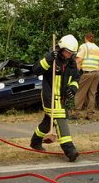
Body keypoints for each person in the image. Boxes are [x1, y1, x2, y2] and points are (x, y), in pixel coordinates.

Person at [30, 34, 80, 162]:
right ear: (61, 48)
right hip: (50, 97)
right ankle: (70, 150)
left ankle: (35, 142)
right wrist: (48, 59)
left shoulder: (71, 63)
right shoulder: (52, 59)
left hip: (61, 98)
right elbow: (36, 70)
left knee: (48, 122)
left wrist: (73, 88)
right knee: (60, 118)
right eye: (68, 52)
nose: (69, 55)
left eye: (72, 53)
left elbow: (75, 78)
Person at [74, 32, 99, 118]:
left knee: (80, 92)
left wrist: (76, 72)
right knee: (92, 93)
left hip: (87, 73)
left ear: (85, 38)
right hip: (96, 73)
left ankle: (76, 112)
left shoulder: (84, 46)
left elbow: (79, 60)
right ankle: (90, 113)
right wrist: (97, 73)